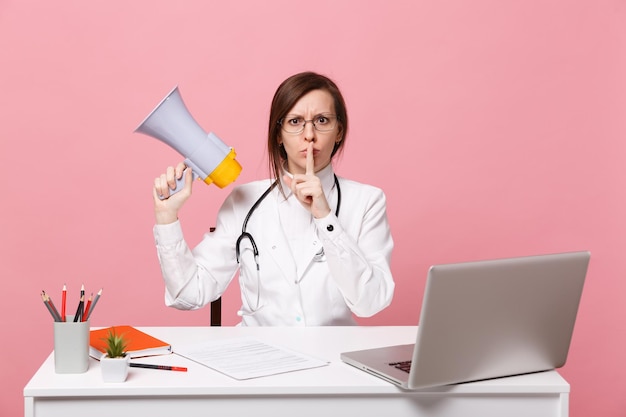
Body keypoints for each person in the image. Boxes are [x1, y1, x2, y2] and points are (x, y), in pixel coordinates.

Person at [152, 71, 394, 326]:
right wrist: (167, 218)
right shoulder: (244, 201)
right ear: (278, 134)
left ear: (339, 132)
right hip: (259, 357)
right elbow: (188, 294)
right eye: (295, 121)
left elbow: (371, 302)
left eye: (322, 120)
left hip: (332, 357)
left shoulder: (368, 201)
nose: (309, 134)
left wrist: (325, 217)